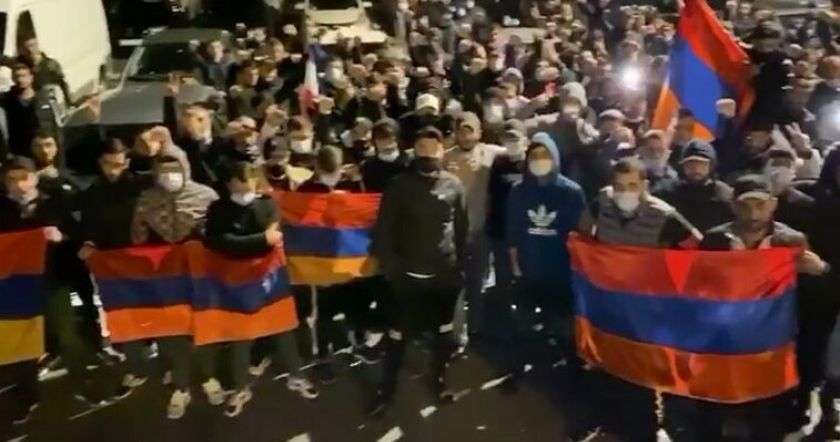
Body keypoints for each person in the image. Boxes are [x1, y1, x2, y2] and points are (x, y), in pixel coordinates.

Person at [663, 174, 830, 442]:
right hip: (725, 346)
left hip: (772, 347)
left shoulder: (791, 241)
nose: (753, 214)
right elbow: (698, 288)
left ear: (773, 204)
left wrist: (819, 270)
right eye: (745, 205)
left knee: (768, 421)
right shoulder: (715, 240)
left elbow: (814, 295)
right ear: (733, 205)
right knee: (714, 418)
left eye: (760, 205)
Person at [204, 162, 318, 417]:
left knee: (283, 329)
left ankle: (297, 376)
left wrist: (252, 243)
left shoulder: (267, 205)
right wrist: (259, 240)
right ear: (229, 184)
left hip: (269, 282)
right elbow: (220, 242)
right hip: (235, 284)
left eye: (250, 183)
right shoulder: (218, 209)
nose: (247, 189)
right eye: (240, 184)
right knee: (241, 337)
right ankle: (240, 387)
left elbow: (269, 240)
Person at [0, 157, 108, 426]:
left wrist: (62, 238)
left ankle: (83, 381)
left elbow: (78, 235)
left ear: (35, 178)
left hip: (55, 281)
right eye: (12, 179)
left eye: (24, 177)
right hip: (14, 287)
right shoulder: (1, 209)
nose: (19, 185)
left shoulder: (55, 203)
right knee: (20, 343)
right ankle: (26, 395)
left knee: (68, 332)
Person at [370, 127, 468, 417]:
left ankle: (439, 381)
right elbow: (383, 232)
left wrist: (459, 268)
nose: (427, 155)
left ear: (442, 151)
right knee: (397, 337)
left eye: (432, 149)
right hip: (407, 280)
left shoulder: (454, 185)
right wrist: (393, 271)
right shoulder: (398, 185)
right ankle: (386, 392)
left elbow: (461, 229)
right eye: (421, 149)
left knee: (442, 334)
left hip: (443, 278)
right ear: (414, 151)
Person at [130, 154, 219, 419]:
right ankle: (181, 386)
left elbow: (219, 233)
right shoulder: (146, 199)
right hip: (165, 277)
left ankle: (208, 376)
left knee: (204, 329)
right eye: (163, 171)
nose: (169, 176)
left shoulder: (206, 196)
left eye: (174, 170)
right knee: (172, 332)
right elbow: (137, 238)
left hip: (200, 275)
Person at [505, 131, 587, 384]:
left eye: (545, 155)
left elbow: (581, 233)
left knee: (561, 323)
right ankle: (518, 366)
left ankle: (570, 370)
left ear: (555, 157)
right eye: (534, 156)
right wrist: (515, 265)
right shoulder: (519, 190)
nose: (539, 161)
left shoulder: (571, 192)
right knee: (523, 321)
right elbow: (513, 230)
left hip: (559, 270)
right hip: (529, 268)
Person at [444, 111, 505, 341]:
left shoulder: (492, 153)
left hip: (480, 231)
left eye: (470, 131)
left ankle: (476, 328)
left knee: (477, 282)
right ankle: (458, 333)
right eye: (461, 132)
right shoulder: (446, 157)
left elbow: (518, 151)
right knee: (456, 284)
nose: (466, 136)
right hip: (453, 233)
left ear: (479, 132)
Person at [653, 140, 734, 233]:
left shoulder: (724, 195)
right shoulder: (667, 192)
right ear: (683, 166)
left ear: (711, 166)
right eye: (690, 164)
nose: (696, 169)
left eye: (701, 164)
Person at [486, 120, 528, 289]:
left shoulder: (531, 163)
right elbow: (491, 194)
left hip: (525, 230)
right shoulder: (498, 163)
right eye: (508, 139)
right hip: (501, 229)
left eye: (515, 139)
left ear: (525, 140)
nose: (512, 143)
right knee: (502, 276)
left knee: (524, 277)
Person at [360, 118, 410, 193]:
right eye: (381, 140)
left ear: (397, 139)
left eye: (390, 139)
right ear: (374, 142)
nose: (386, 145)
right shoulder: (367, 166)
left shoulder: (410, 163)